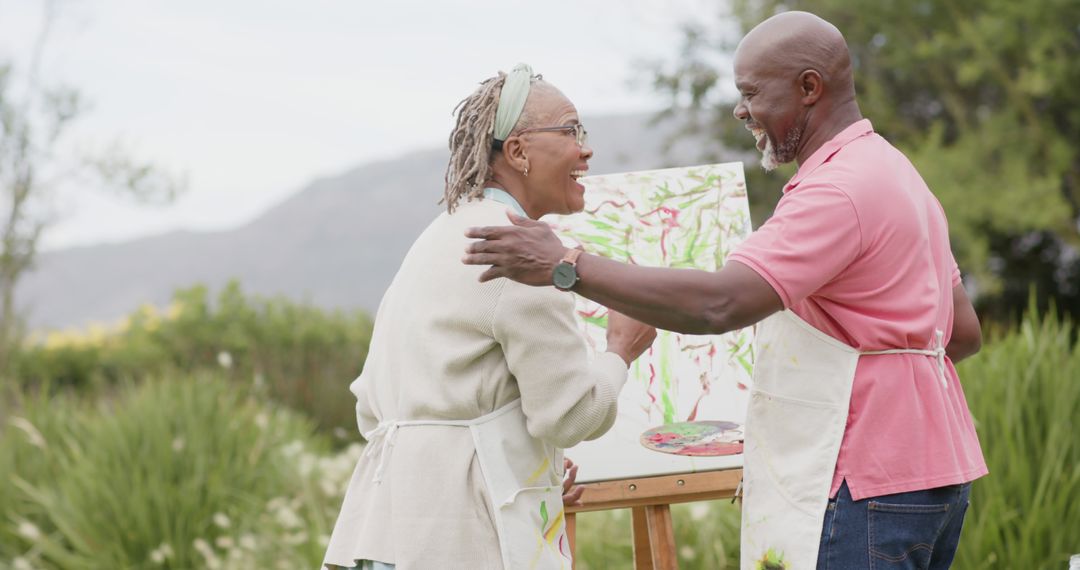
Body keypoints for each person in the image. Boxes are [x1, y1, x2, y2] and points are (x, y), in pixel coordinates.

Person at [462, 13, 987, 570]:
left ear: (810, 88)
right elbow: (964, 332)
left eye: (751, 92)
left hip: (864, 479)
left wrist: (567, 265)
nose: (741, 110)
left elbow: (721, 303)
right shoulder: (898, 173)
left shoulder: (838, 189)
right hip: (936, 476)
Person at [322, 64, 656, 570]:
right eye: (571, 132)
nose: (585, 149)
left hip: (384, 534)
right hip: (461, 542)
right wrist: (620, 352)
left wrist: (518, 474)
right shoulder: (519, 255)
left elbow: (371, 409)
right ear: (518, 152)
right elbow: (569, 415)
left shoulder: (438, 236)